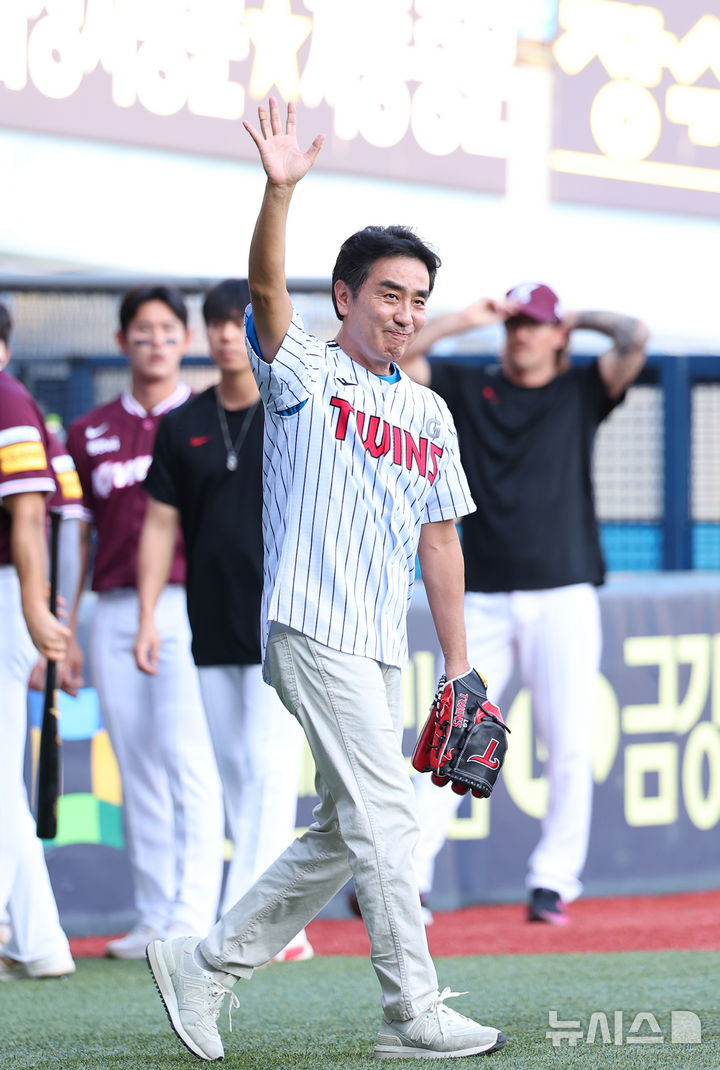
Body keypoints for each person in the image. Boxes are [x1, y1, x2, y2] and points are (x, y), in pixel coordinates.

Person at [145, 98, 506, 1062]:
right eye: (390, 294)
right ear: (345, 296)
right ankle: (410, 1011)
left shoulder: (428, 412)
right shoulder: (303, 368)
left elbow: (440, 543)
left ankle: (205, 965)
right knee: (387, 814)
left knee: (348, 828)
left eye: (418, 299)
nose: (406, 313)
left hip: (379, 642)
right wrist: (279, 192)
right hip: (309, 623)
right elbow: (267, 287)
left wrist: (460, 667)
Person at [400, 282, 649, 925]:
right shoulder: (466, 383)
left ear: (557, 335)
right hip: (482, 592)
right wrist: (464, 320)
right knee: (454, 729)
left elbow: (635, 338)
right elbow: (402, 358)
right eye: (515, 325)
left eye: (534, 325)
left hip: (563, 590)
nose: (522, 336)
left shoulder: (580, 388)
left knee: (568, 741)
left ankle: (553, 882)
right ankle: (408, 878)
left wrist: (573, 316)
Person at [133, 278, 312, 963]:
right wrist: (148, 614)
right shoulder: (182, 425)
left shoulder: (291, 410)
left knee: (270, 769)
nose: (227, 337)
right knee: (237, 770)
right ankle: (282, 922)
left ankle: (247, 922)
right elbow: (159, 524)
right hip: (207, 618)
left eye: (239, 324)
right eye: (216, 325)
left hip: (281, 617)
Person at [65, 286, 224, 959]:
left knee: (189, 758)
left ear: (185, 340)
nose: (155, 342)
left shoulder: (209, 417)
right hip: (114, 606)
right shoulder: (89, 431)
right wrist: (65, 623)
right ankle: (155, 912)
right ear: (120, 341)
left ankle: (194, 912)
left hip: (190, 604)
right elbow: (76, 535)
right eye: (142, 331)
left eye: (167, 330)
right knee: (136, 764)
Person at [0, 300, 75, 980]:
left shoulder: (6, 397)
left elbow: (30, 515)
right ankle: (40, 940)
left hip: (7, 593)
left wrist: (31, 608)